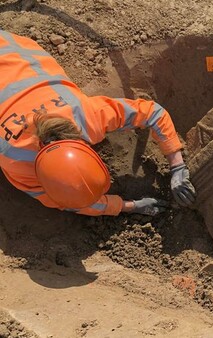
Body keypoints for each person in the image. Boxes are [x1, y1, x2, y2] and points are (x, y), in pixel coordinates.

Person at [0, 30, 196, 216]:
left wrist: (177, 166)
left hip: (12, 48)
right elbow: (69, 203)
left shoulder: (88, 116)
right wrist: (128, 206)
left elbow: (153, 112)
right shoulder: (14, 160)